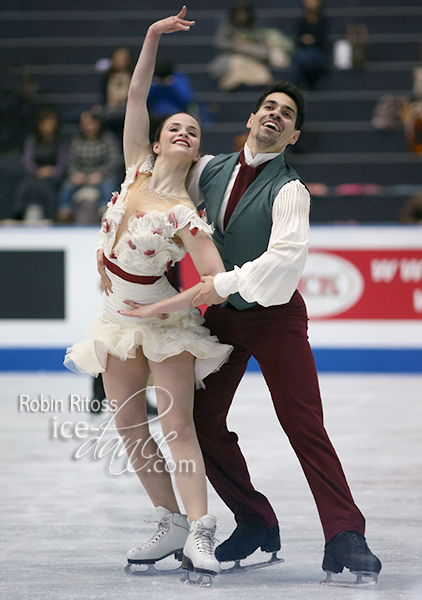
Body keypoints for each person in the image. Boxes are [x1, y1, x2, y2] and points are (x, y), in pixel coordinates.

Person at [133, 79, 382, 582]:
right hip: (222, 320)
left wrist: (217, 284)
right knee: (200, 421)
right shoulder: (210, 170)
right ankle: (254, 520)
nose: (275, 115)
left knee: (303, 424)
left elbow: (283, 264)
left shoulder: (291, 191)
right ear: (250, 119)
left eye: (286, 114)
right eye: (268, 107)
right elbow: (146, 167)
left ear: (292, 136)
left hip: (275, 318)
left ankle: (344, 534)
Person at [63, 7, 232, 581]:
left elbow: (212, 282)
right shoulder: (135, 169)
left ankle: (202, 530)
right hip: (114, 318)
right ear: (158, 142)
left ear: (194, 151)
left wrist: (161, 307)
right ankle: (170, 522)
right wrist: (152, 36)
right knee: (130, 426)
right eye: (175, 128)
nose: (184, 132)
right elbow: (136, 97)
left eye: (194, 131)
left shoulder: (185, 214)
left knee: (177, 427)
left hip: (162, 322)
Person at [209, 2, 294, 91]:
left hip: (253, 58)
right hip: (230, 58)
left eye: (244, 14)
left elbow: (263, 52)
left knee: (258, 67)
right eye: (239, 14)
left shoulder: (254, 29)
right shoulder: (226, 26)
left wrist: (244, 44)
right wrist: (236, 44)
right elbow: (220, 43)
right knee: (237, 62)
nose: (241, 17)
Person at [57, 109, 121, 224]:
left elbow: (114, 161)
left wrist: (100, 174)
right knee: (67, 185)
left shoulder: (108, 139)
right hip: (81, 174)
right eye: (84, 124)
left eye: (90, 123)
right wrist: (75, 174)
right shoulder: (76, 140)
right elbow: (71, 162)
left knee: (109, 184)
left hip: (102, 175)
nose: (87, 127)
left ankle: (105, 212)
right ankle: (64, 211)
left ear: (97, 123)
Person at [10, 107, 67, 223]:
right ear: (39, 124)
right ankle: (19, 214)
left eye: (51, 123)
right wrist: (37, 171)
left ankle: (50, 215)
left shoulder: (60, 141)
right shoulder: (32, 140)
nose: (48, 126)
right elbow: (27, 161)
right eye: (45, 123)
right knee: (27, 185)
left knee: (45, 186)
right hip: (35, 174)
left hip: (53, 175)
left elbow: (63, 162)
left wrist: (52, 171)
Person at [292, 0, 330, 90]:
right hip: (303, 52)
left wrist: (312, 40)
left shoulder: (324, 21)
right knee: (301, 57)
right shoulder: (301, 20)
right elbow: (297, 39)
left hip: (319, 53)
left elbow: (323, 40)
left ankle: (292, 87)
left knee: (306, 57)